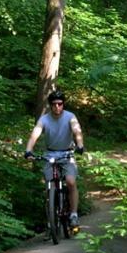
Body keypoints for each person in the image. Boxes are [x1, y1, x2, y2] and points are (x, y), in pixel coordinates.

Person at [24, 90, 85, 228]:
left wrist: (80, 145)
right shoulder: (44, 119)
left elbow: (77, 131)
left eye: (60, 104)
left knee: (70, 181)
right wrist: (29, 150)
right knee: (48, 185)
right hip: (50, 155)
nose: (57, 107)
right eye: (54, 104)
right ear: (50, 106)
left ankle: (74, 214)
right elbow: (35, 134)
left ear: (63, 104)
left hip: (67, 154)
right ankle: (51, 218)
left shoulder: (70, 117)